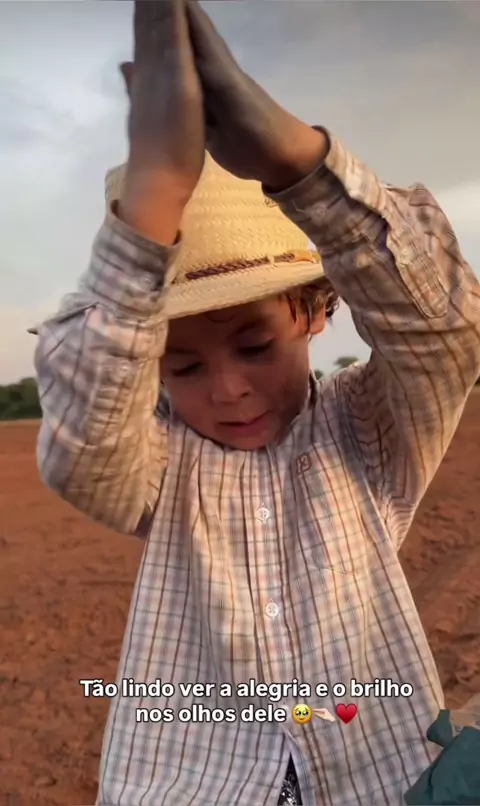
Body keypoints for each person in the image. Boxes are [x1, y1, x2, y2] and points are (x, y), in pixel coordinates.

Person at [31, 1, 480, 805]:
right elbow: (82, 437)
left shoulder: (369, 429)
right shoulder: (157, 465)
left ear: (312, 311)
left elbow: (444, 330)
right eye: (181, 366)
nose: (227, 389)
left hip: (380, 777)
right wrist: (154, 204)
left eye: (254, 345)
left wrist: (297, 163)